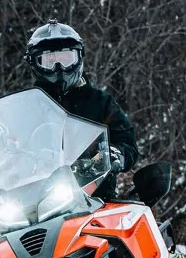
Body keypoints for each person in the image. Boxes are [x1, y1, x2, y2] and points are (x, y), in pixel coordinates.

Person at [25, 19, 139, 199]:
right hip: (33, 202)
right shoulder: (27, 107)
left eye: (66, 59)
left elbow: (126, 140)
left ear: (79, 58)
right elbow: (8, 144)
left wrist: (114, 154)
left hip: (95, 197)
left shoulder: (100, 102)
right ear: (34, 63)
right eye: (49, 61)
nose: (59, 68)